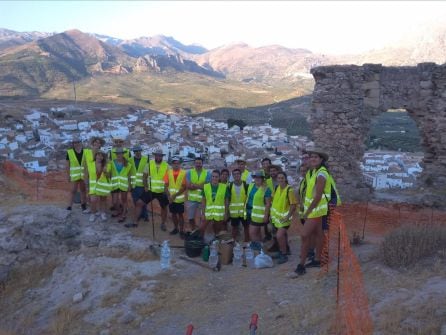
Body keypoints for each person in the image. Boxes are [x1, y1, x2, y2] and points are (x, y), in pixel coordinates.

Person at [295, 148, 333, 276]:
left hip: (316, 210)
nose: (313, 159)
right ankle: (317, 260)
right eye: (311, 157)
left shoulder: (321, 174)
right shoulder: (315, 172)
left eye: (316, 157)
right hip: (318, 209)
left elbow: (317, 196)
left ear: (321, 160)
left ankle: (301, 264)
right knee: (318, 235)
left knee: (305, 235)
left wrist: (307, 212)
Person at [270, 172, 297, 264]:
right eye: (279, 178)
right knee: (282, 235)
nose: (280, 180)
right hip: (276, 218)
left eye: (282, 178)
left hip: (285, 218)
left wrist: (287, 217)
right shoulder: (276, 188)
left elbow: (293, 205)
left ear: (285, 179)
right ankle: (285, 250)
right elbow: (273, 200)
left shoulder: (289, 190)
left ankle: (284, 254)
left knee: (279, 235)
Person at [140, 149, 170, 231]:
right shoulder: (149, 164)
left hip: (162, 191)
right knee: (139, 203)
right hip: (151, 190)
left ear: (162, 156)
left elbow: (169, 178)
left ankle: (163, 223)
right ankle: (136, 220)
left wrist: (166, 189)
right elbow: (144, 176)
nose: (158, 157)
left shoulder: (167, 166)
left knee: (164, 208)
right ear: (155, 156)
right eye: (157, 155)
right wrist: (145, 186)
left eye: (160, 155)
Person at [244, 170, 272, 250]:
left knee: (252, 233)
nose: (257, 179)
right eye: (256, 177)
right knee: (257, 233)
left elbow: (268, 204)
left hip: (259, 215)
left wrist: (266, 215)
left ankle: (257, 248)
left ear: (263, 179)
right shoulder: (251, 186)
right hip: (250, 212)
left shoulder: (266, 189)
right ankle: (260, 250)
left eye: (260, 177)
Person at [200, 170, 230, 236]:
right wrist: (203, 214)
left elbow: (226, 202)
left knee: (217, 229)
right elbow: (203, 201)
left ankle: (215, 243)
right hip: (208, 212)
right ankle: (200, 242)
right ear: (211, 177)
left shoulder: (224, 187)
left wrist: (226, 213)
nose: (214, 178)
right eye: (213, 176)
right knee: (202, 228)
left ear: (219, 177)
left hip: (218, 213)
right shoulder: (205, 187)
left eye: (216, 177)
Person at [164, 156, 187, 237]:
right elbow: (166, 186)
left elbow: (184, 187)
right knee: (173, 214)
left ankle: (181, 230)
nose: (176, 165)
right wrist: (169, 196)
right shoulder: (168, 172)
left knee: (180, 215)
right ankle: (175, 228)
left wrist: (174, 196)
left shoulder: (184, 173)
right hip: (171, 198)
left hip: (179, 198)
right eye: (174, 163)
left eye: (178, 163)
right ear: (172, 164)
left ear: (180, 164)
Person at [186, 157, 211, 231]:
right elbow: (188, 186)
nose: (198, 164)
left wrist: (194, 185)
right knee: (190, 218)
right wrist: (201, 185)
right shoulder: (189, 173)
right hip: (192, 200)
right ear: (194, 163)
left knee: (202, 218)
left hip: (202, 200)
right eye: (197, 163)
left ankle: (201, 232)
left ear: (202, 164)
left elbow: (206, 187)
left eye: (199, 163)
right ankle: (193, 231)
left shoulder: (207, 173)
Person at [109, 147, 133, 223]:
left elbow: (129, 175)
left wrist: (130, 184)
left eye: (120, 153)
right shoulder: (112, 162)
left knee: (124, 200)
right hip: (115, 184)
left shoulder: (128, 164)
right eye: (117, 154)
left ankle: (123, 214)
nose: (119, 155)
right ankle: (119, 211)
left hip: (123, 184)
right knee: (115, 202)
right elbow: (109, 173)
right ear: (116, 154)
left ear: (123, 154)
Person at [85, 151, 111, 222]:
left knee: (103, 200)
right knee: (93, 200)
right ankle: (93, 214)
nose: (99, 157)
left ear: (103, 158)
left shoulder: (107, 165)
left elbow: (109, 176)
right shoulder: (90, 164)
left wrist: (105, 172)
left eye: (101, 156)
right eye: (98, 155)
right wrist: (87, 186)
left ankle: (102, 213)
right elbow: (87, 176)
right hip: (93, 185)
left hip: (102, 186)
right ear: (95, 156)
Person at [66, 137, 87, 212]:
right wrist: (68, 175)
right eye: (75, 142)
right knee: (73, 191)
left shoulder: (86, 151)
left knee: (83, 190)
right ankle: (69, 206)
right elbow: (68, 165)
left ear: (80, 142)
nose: (76, 144)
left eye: (78, 142)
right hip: (74, 175)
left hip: (83, 175)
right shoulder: (69, 152)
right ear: (73, 144)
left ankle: (83, 204)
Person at [228, 169, 249, 242]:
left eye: (238, 174)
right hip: (234, 212)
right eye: (234, 174)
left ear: (241, 175)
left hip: (244, 211)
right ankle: (233, 242)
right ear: (233, 176)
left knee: (246, 227)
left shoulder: (246, 185)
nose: (236, 175)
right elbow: (228, 198)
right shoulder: (230, 185)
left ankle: (247, 242)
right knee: (234, 228)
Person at [129, 145, 149, 222]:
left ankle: (145, 215)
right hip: (133, 185)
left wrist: (146, 185)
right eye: (136, 151)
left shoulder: (146, 159)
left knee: (142, 201)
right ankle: (140, 215)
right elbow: (129, 172)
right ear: (134, 152)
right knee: (135, 201)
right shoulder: (130, 160)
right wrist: (129, 185)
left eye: (139, 151)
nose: (137, 152)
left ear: (141, 151)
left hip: (142, 185)